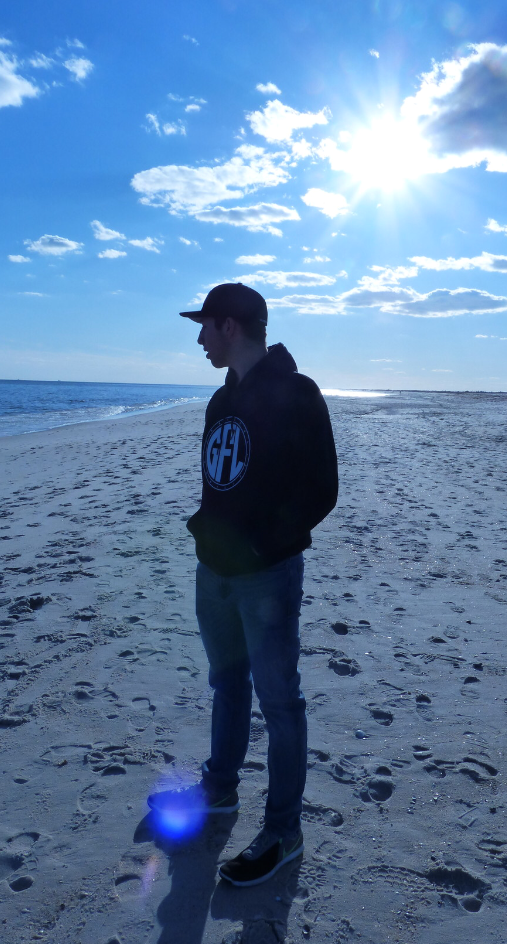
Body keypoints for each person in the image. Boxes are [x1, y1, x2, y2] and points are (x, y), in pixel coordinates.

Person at [149, 282, 338, 887]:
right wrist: (207, 535)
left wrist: (261, 546)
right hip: (214, 574)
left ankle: (283, 830)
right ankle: (220, 790)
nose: (200, 339)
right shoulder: (219, 401)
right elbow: (220, 483)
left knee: (280, 702)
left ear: (229, 326)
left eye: (204, 326)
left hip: (267, 578)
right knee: (226, 685)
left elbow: (322, 490)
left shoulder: (298, 394)